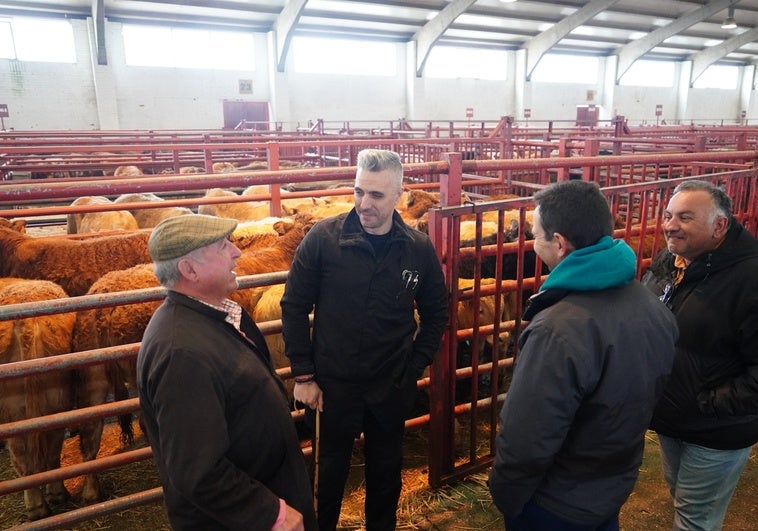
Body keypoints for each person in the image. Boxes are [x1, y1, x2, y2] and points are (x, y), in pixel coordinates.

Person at [488, 180, 678, 531]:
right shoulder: (652, 307)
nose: (532, 242)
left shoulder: (557, 330)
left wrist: (506, 493)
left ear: (559, 244)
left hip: (554, 502)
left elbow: (527, 436)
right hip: (610, 483)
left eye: (536, 234)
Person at [280, 149, 448, 530]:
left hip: (390, 386)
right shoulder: (324, 239)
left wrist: (413, 365)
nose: (364, 203)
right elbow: (293, 306)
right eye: (359, 191)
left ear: (399, 195)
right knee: (326, 479)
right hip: (330, 388)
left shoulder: (417, 248)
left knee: (386, 476)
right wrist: (304, 376)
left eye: (376, 195)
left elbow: (437, 312)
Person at [137, 214, 317, 531]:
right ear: (189, 270)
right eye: (222, 246)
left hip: (265, 491)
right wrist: (269, 514)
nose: (236, 252)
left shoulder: (216, 315)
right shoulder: (181, 355)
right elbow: (198, 471)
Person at [641, 180, 758, 531]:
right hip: (672, 416)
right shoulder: (670, 260)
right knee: (683, 497)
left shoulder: (750, 279)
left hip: (716, 429)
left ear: (719, 226)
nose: (670, 225)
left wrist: (706, 404)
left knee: (695, 518)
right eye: (668, 215)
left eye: (685, 217)